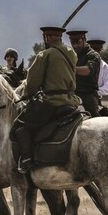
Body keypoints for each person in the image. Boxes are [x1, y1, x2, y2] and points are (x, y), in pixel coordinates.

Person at [12, 26, 80, 173]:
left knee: (19, 126)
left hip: (52, 101)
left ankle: (26, 159)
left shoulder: (45, 55)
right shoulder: (71, 53)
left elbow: (32, 84)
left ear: (47, 38)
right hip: (71, 100)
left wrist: (28, 94)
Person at [67, 30, 101, 117]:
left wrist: (69, 69)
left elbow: (88, 70)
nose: (75, 46)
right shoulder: (70, 55)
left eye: (78, 42)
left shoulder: (93, 55)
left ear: (84, 39)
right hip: (72, 94)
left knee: (94, 120)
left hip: (88, 95)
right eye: (72, 43)